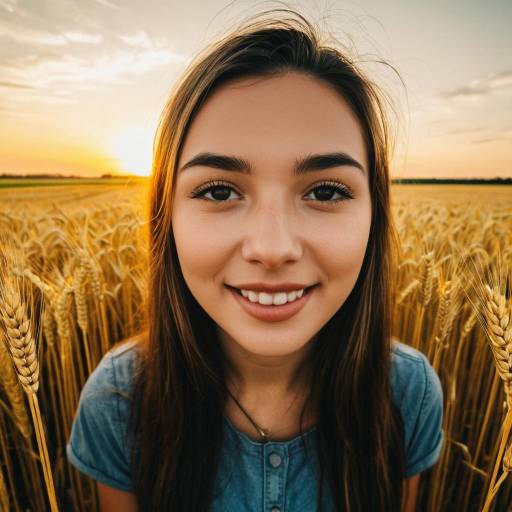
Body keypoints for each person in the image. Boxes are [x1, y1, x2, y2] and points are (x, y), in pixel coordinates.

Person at [66, 8, 444, 512]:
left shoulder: (407, 393)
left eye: (327, 191)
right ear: (167, 216)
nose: (271, 248)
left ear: (375, 215)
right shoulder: (118, 401)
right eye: (219, 190)